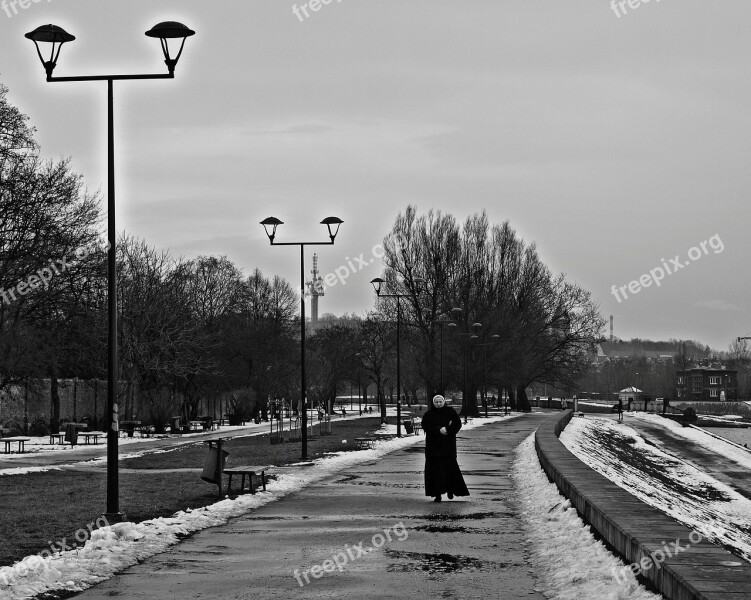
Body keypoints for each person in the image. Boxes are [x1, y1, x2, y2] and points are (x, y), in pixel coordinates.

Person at [421, 394, 469, 503]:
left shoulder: (450, 412)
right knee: (435, 471)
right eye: (436, 402)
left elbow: (457, 424)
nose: (438, 404)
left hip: (448, 446)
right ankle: (437, 494)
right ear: (433, 403)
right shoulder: (428, 414)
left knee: (449, 469)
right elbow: (426, 426)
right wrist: (438, 430)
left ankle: (450, 490)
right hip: (433, 448)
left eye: (440, 402)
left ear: (444, 402)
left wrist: (448, 429)